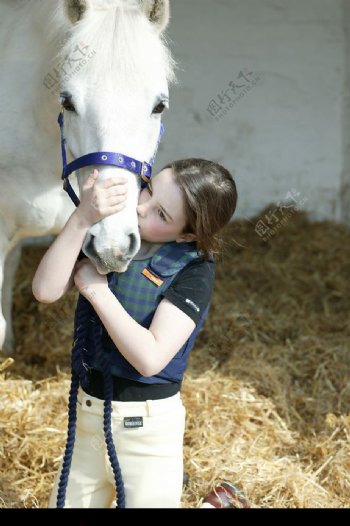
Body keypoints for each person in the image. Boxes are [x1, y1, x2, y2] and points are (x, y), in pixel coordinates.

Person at [32, 158, 237, 509]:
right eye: (149, 189)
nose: (141, 208)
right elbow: (45, 290)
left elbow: (150, 358)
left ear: (187, 235)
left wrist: (97, 292)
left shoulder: (194, 271)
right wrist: (82, 217)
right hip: (88, 421)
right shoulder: (110, 232)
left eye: (162, 215)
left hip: (147, 433)